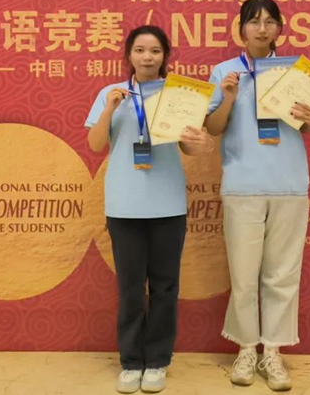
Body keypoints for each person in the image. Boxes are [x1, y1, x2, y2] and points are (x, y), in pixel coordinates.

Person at [86, 25, 214, 393]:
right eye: (140, 50)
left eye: (155, 51)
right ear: (128, 55)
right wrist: (110, 109)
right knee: (130, 288)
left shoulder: (180, 95)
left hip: (167, 204)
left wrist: (199, 141)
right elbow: (95, 144)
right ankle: (130, 362)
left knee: (165, 287)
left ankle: (157, 361)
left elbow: (189, 147)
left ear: (164, 56)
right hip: (124, 205)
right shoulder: (111, 94)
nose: (147, 57)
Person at [204, 0, 310, 391]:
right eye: (254, 21)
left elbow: (306, 126)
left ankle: (273, 351)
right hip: (242, 185)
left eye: (270, 22)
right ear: (241, 28)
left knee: (282, 274)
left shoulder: (294, 70)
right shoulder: (225, 72)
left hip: (289, 184)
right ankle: (245, 349)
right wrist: (229, 95)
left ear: (280, 29)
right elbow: (213, 128)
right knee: (244, 275)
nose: (262, 29)